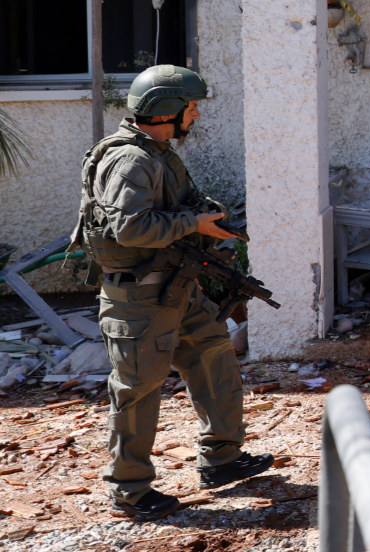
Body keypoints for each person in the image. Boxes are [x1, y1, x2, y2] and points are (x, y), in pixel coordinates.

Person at [71, 66, 274, 520]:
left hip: (176, 287)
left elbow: (180, 207)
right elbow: (130, 228)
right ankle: (129, 489)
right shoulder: (132, 160)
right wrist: (192, 223)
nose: (196, 115)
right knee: (138, 390)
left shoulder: (158, 153)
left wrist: (206, 218)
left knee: (213, 354)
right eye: (191, 107)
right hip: (139, 300)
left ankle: (222, 458)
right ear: (167, 110)